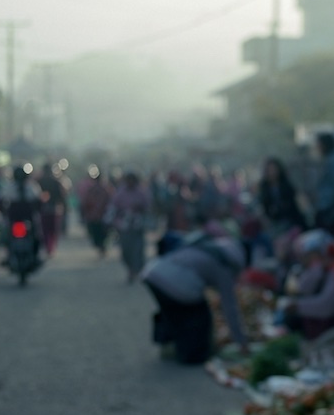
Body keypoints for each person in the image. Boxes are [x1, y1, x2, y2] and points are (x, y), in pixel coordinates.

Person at [141, 229, 248, 364]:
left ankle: (168, 347)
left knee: (173, 312)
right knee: (199, 316)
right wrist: (241, 341)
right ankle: (192, 356)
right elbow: (229, 306)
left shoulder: (206, 248)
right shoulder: (224, 265)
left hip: (153, 274)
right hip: (175, 283)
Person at [277, 229, 334, 340]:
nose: (303, 261)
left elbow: (327, 306)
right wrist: (315, 271)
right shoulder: (326, 268)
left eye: (306, 256)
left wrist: (297, 306)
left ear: (318, 254)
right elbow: (304, 288)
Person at [256, 156, 308, 263]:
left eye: (274, 169)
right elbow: (264, 210)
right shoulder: (264, 188)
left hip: (291, 223)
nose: (272, 173)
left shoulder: (287, 186)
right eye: (269, 170)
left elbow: (296, 206)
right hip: (275, 226)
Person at [108, 171, 151, 283]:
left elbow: (147, 207)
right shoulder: (120, 193)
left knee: (137, 250)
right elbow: (113, 208)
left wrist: (139, 209)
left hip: (137, 226)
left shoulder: (141, 192)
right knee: (125, 251)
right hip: (124, 226)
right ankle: (130, 269)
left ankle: (136, 270)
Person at [79, 167, 113, 257]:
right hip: (96, 215)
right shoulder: (97, 189)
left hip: (100, 215)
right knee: (99, 233)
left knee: (100, 233)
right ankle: (101, 246)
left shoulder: (104, 189)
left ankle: (102, 247)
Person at [37, 162, 68, 258]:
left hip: (43, 210)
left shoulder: (39, 182)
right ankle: (51, 247)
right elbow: (61, 196)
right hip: (54, 209)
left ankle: (48, 247)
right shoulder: (56, 182)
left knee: (46, 230)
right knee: (53, 230)